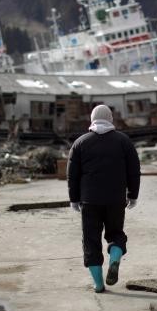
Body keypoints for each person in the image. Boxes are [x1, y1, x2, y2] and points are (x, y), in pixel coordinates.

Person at [67, 104, 141, 293]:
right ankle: (114, 260)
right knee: (116, 234)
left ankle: (98, 284)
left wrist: (73, 199)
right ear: (110, 119)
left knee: (91, 240)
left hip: (89, 201)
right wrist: (133, 195)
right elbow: (134, 171)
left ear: (91, 119)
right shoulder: (124, 141)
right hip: (116, 199)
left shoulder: (80, 143)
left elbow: (72, 175)